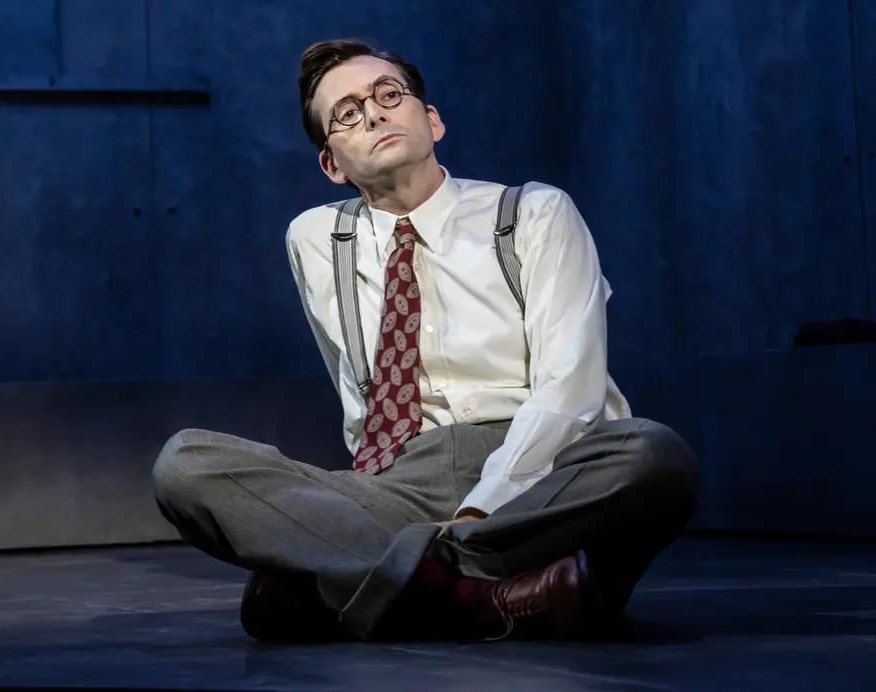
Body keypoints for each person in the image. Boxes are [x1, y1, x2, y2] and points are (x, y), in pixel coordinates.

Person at [152, 39, 698, 641]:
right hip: (404, 482)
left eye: (389, 95)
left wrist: (478, 509)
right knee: (186, 463)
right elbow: (356, 390)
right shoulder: (315, 238)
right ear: (332, 164)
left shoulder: (533, 213)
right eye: (347, 113)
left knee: (654, 455)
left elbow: (570, 390)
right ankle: (492, 597)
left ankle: (358, 581)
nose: (376, 114)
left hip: (543, 475)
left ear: (431, 119)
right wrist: (365, 501)